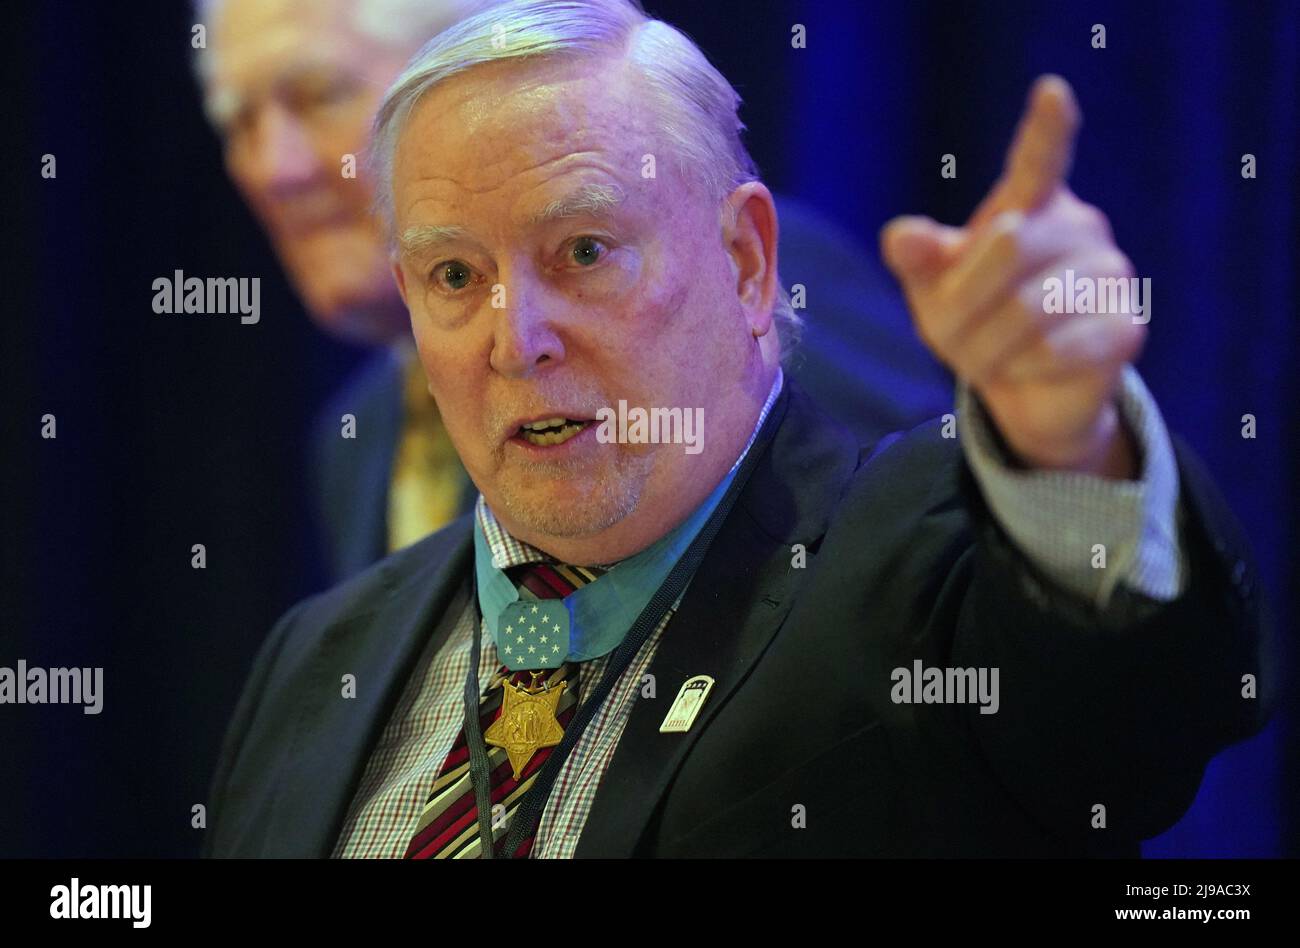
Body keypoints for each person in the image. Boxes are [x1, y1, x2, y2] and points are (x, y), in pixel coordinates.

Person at [202, 0, 1271, 858]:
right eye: (453, 276)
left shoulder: (923, 567)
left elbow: (1124, 717)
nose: (513, 339)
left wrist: (1066, 448)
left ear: (750, 263)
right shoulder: (312, 661)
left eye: (583, 251)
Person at [195, 0, 952, 583]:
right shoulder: (355, 438)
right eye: (241, 123)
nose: (273, 168)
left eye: (317, 96)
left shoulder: (752, 274)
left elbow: (913, 577)